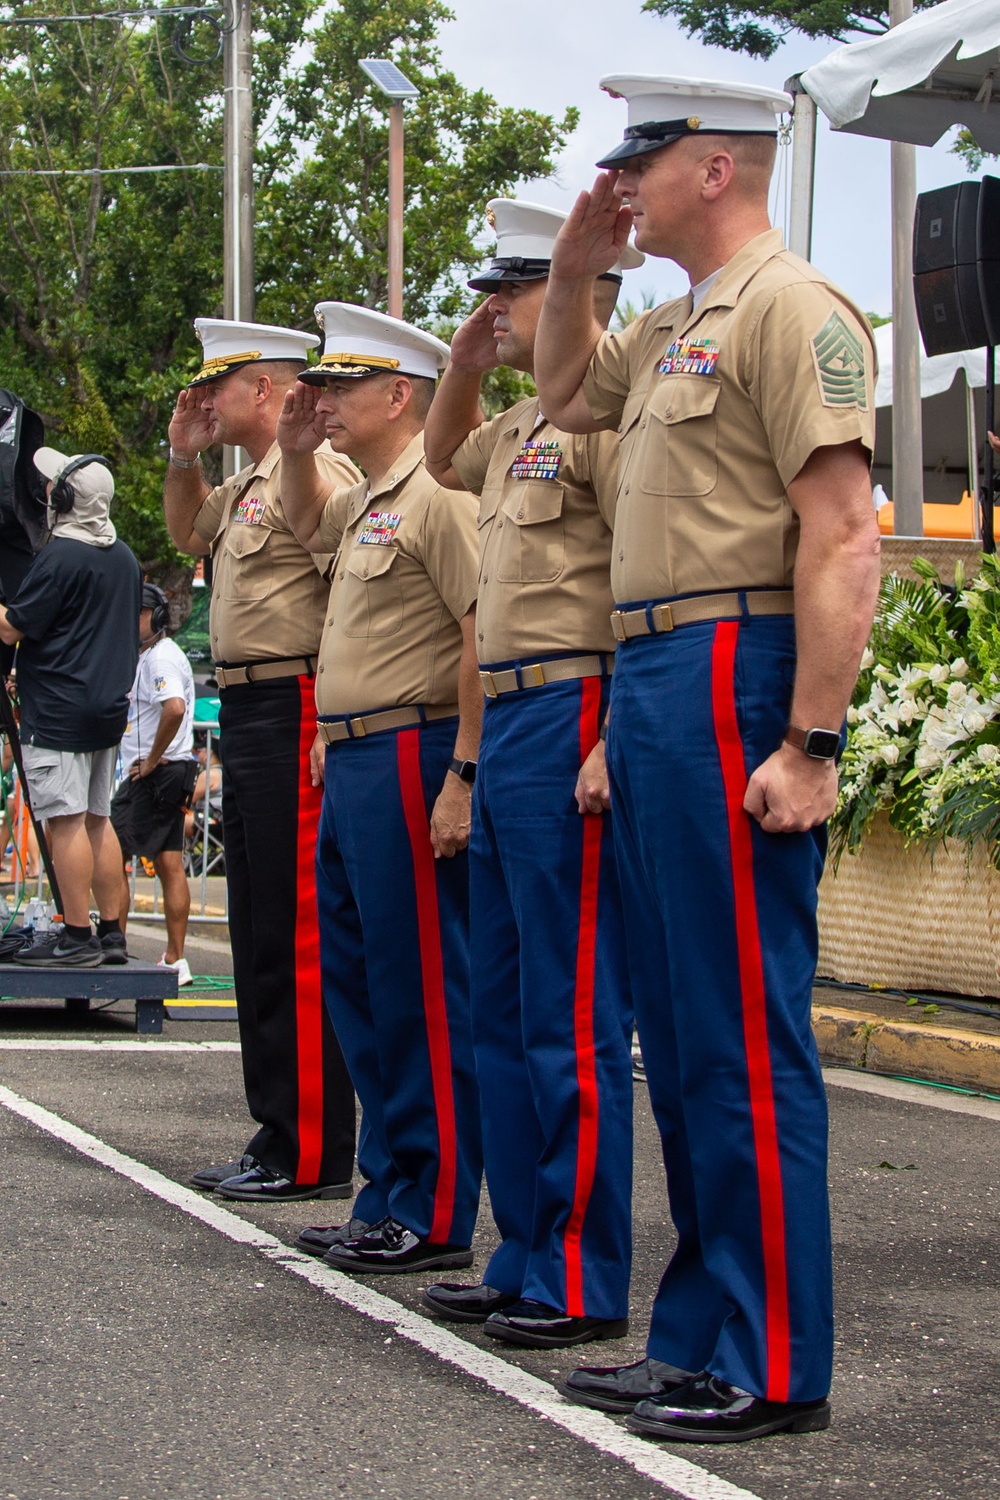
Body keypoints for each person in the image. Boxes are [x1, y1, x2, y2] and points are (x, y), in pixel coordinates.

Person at [533, 76, 881, 1443]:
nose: (623, 181)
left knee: (742, 1031)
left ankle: (774, 1358)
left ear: (717, 169)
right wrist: (576, 265)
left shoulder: (792, 308)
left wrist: (811, 739)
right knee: (678, 1039)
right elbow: (561, 387)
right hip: (664, 671)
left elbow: (843, 533)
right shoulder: (674, 321)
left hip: (740, 668)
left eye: (643, 159)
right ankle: (697, 1332)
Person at [419, 200, 639, 1350]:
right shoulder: (513, 426)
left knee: (569, 1009)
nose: (489, 312)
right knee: (500, 1007)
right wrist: (459, 364)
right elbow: (437, 459)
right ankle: (521, 1252)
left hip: (572, 705)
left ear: (573, 294)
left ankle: (581, 1272)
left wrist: (612, 738)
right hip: (505, 718)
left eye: (505, 293)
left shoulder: (610, 413)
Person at [277, 302, 483, 1275]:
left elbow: (481, 621)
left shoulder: (436, 492)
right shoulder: (364, 498)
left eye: (341, 387)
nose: (321, 405)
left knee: (418, 991)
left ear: (400, 393)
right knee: (362, 985)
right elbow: (301, 531)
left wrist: (463, 772)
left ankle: (434, 1205)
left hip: (412, 749)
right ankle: (384, 1188)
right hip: (355, 756)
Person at [163, 319, 360, 1204]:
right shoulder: (247, 485)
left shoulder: (319, 473)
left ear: (273, 389)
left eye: (223, 383)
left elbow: (352, 588)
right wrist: (182, 454)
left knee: (298, 930)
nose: (208, 397)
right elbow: (183, 534)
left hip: (296, 700)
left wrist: (328, 715)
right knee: (257, 929)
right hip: (247, 706)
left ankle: (311, 1143)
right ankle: (278, 1130)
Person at [0, 449, 141, 966]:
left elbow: (13, 626)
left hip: (60, 709)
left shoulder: (60, 556)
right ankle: (112, 936)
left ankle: (76, 937)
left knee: (65, 822)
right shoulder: (123, 556)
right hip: (106, 709)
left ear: (62, 499)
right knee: (97, 820)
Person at [110, 582, 196, 985]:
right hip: (167, 771)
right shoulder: (148, 656)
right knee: (167, 862)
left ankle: (114, 946)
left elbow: (174, 709)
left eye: (140, 612)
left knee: (111, 854)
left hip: (158, 774)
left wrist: (150, 761)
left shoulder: (161, 659)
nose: (133, 620)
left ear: (158, 617)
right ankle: (175, 960)